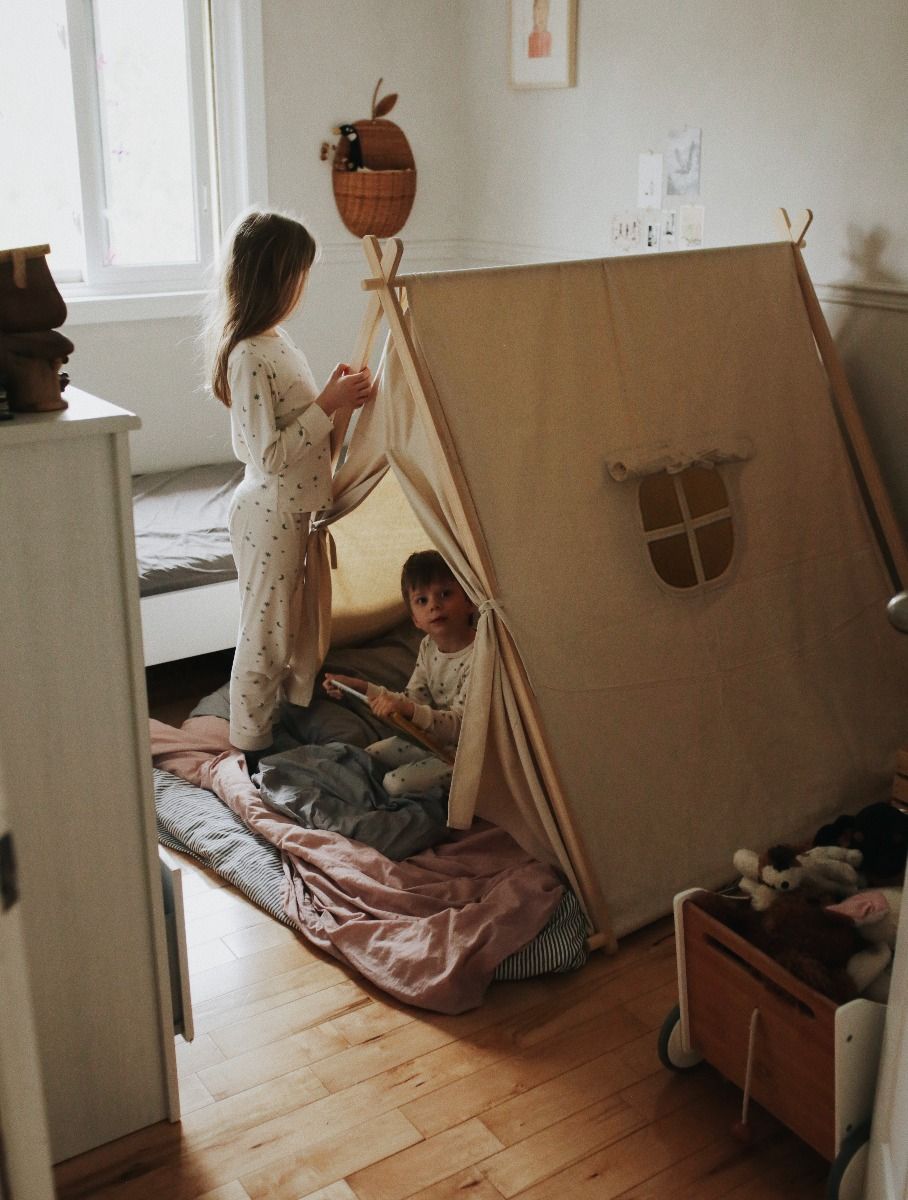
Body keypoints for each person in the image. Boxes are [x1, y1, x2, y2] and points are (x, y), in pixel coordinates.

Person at [206, 208, 376, 772]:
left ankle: (272, 719)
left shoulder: (277, 341)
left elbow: (313, 446)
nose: (302, 288)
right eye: (297, 275)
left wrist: (339, 403)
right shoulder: (249, 353)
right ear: (274, 278)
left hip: (296, 510)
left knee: (288, 627)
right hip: (269, 511)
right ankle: (249, 746)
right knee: (265, 630)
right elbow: (269, 454)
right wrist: (329, 403)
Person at [323, 550, 475, 796]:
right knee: (372, 755)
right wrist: (359, 686)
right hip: (433, 742)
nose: (434, 605)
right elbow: (413, 698)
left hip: (466, 758)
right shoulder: (428, 646)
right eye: (422, 601)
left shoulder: (480, 654)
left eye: (445, 594)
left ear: (469, 601)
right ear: (415, 619)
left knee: (394, 784)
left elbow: (460, 727)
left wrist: (407, 709)